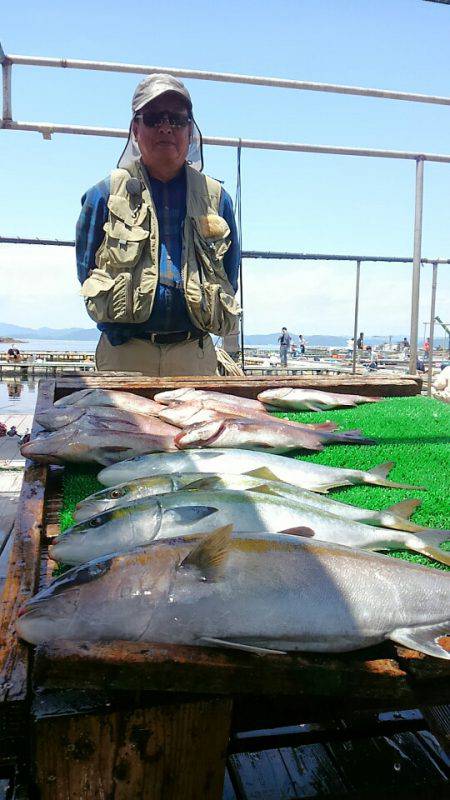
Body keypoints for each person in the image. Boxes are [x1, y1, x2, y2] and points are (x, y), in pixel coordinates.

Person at [76, 74, 241, 377]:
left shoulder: (218, 200)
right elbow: (86, 270)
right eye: (153, 118)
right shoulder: (103, 195)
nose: (166, 127)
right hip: (124, 356)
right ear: (136, 129)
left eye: (177, 119)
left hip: (195, 356)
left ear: (190, 131)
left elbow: (230, 275)